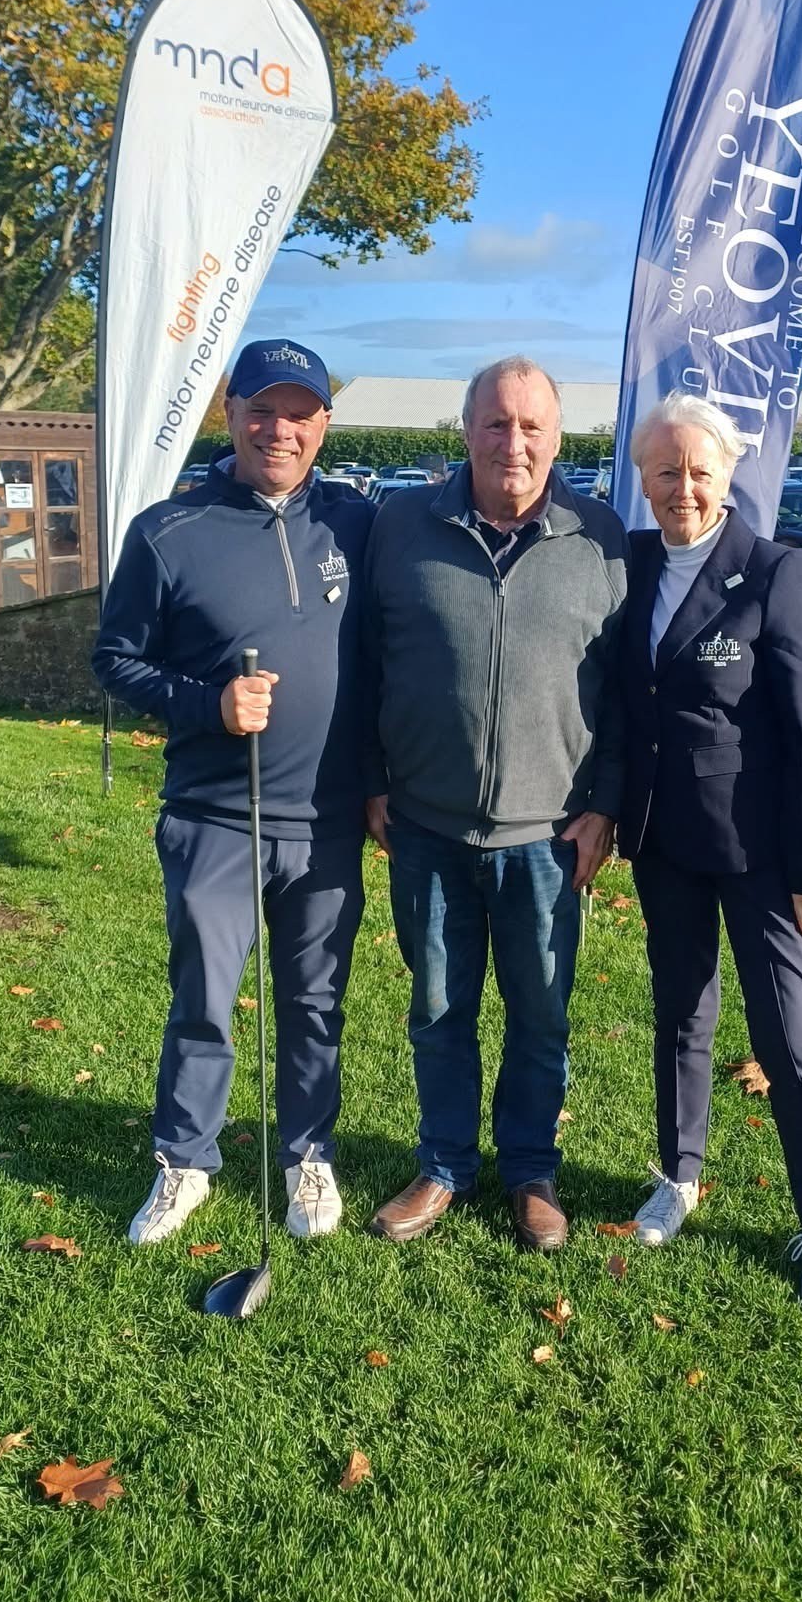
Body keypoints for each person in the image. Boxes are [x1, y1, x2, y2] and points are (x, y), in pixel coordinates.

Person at [93, 339, 373, 1246]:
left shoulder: (360, 526)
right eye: (263, 408)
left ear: (324, 424)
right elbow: (115, 659)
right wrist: (206, 704)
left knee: (315, 1002)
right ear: (231, 411)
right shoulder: (168, 529)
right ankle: (185, 1162)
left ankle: (307, 1157)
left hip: (327, 821)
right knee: (206, 1000)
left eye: (300, 413)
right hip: (216, 817)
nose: (279, 429)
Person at [364, 357, 628, 1251]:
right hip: (428, 826)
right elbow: (361, 664)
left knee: (541, 1015)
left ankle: (530, 1172)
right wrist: (370, 778)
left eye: (531, 427)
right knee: (439, 1010)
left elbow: (630, 692)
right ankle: (442, 1167)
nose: (512, 443)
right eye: (495, 423)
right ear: (465, 428)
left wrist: (608, 804)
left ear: (558, 437)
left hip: (548, 837)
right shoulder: (400, 526)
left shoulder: (601, 539)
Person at [617, 394, 802, 1311]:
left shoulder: (772, 570)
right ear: (643, 479)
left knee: (786, 1036)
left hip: (758, 851)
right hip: (662, 842)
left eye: (699, 471)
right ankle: (679, 1177)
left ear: (727, 477)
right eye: (665, 472)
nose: (682, 488)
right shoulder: (631, 562)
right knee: (681, 1014)